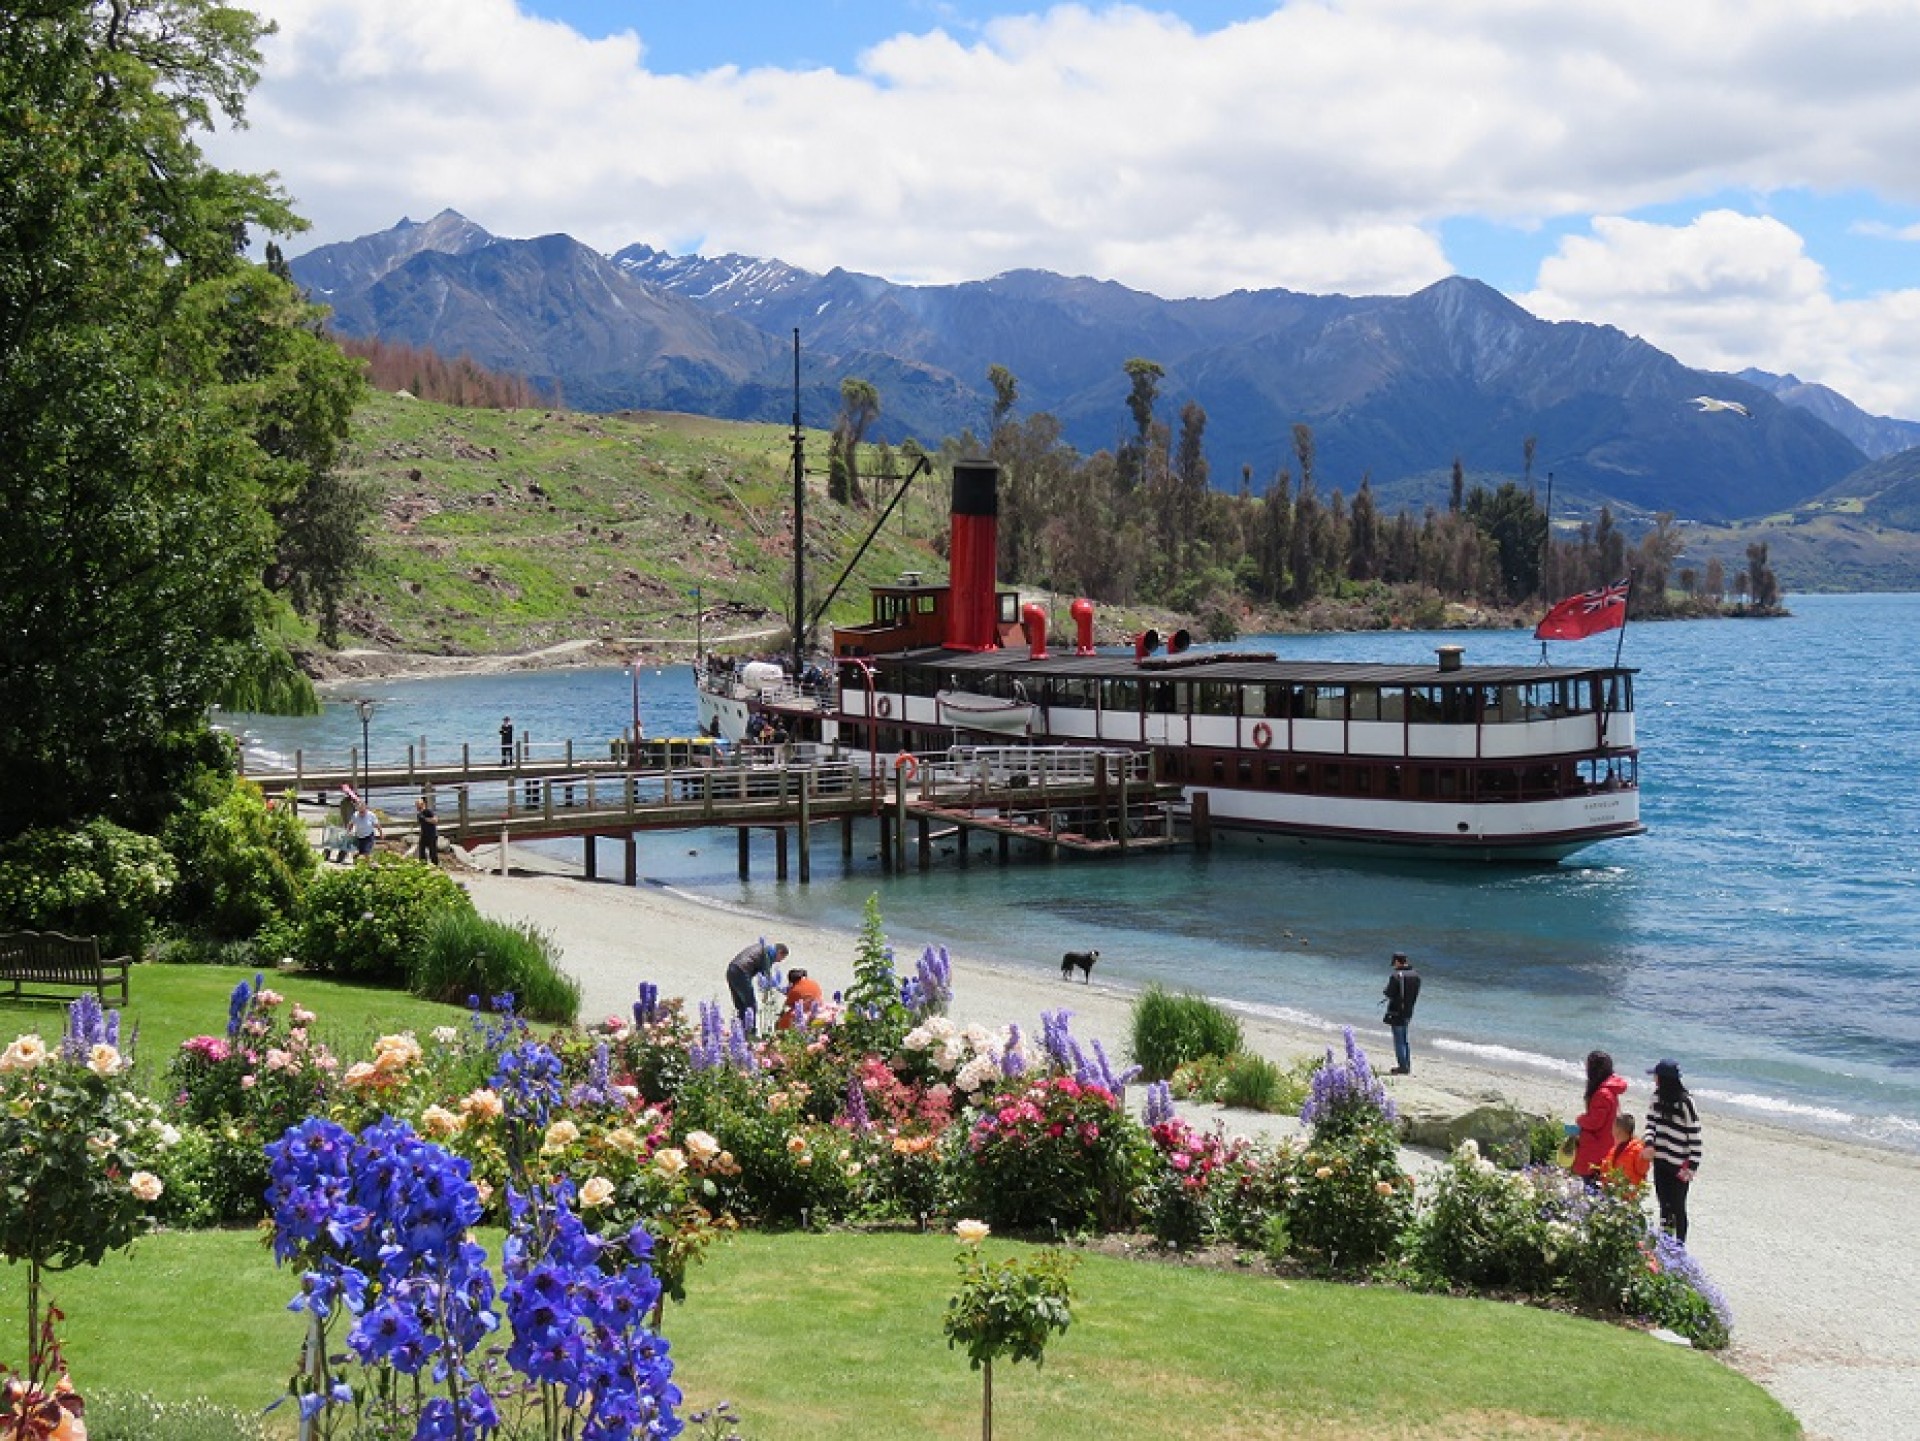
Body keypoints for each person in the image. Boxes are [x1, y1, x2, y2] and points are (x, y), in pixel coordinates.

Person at [1644, 1059, 1703, 1243]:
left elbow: (1694, 1135)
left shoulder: (1686, 1102)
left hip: (1680, 1165)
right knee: (1664, 1205)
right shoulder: (1656, 1097)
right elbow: (1650, 1123)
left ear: (1663, 1078)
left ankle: (1679, 1247)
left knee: (1678, 1207)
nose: (1654, 1079)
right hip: (1661, 1160)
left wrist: (1692, 1165)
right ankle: (1665, 1244)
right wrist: (1648, 1143)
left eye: (1656, 1076)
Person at [1571, 1049, 1627, 1180]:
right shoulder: (1608, 1090)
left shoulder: (1602, 1094)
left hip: (1597, 1143)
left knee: (1591, 1180)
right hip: (1605, 1140)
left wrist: (1580, 1119)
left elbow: (1595, 1122)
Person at [725, 938, 789, 1025]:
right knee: (751, 1006)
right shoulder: (768, 954)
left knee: (740, 1005)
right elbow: (766, 976)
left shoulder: (762, 948)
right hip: (741, 972)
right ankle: (750, 1031)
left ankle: (740, 1029)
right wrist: (774, 991)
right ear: (779, 952)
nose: (780, 961)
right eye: (782, 958)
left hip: (731, 969)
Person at [1381, 951, 1421, 1074]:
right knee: (1404, 1039)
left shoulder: (1396, 976)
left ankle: (1402, 1067)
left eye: (1394, 963)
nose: (1394, 965)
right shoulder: (1416, 975)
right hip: (1409, 1010)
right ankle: (1407, 1064)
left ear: (1397, 962)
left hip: (1397, 1011)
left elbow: (1388, 993)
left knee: (1398, 1039)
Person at [1605, 1112, 1650, 1187]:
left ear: (1619, 1131)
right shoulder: (1615, 1147)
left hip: (1630, 1194)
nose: (1611, 1129)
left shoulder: (1637, 1149)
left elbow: (1642, 1170)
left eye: (1613, 1126)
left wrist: (1644, 1158)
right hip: (1615, 1190)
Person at [415, 792, 439, 865]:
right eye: (416, 805)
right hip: (424, 834)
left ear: (422, 804)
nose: (417, 807)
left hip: (431, 834)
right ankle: (423, 864)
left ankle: (435, 865)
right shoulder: (419, 814)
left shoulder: (428, 811)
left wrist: (425, 819)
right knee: (421, 851)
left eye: (418, 805)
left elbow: (435, 820)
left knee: (433, 852)